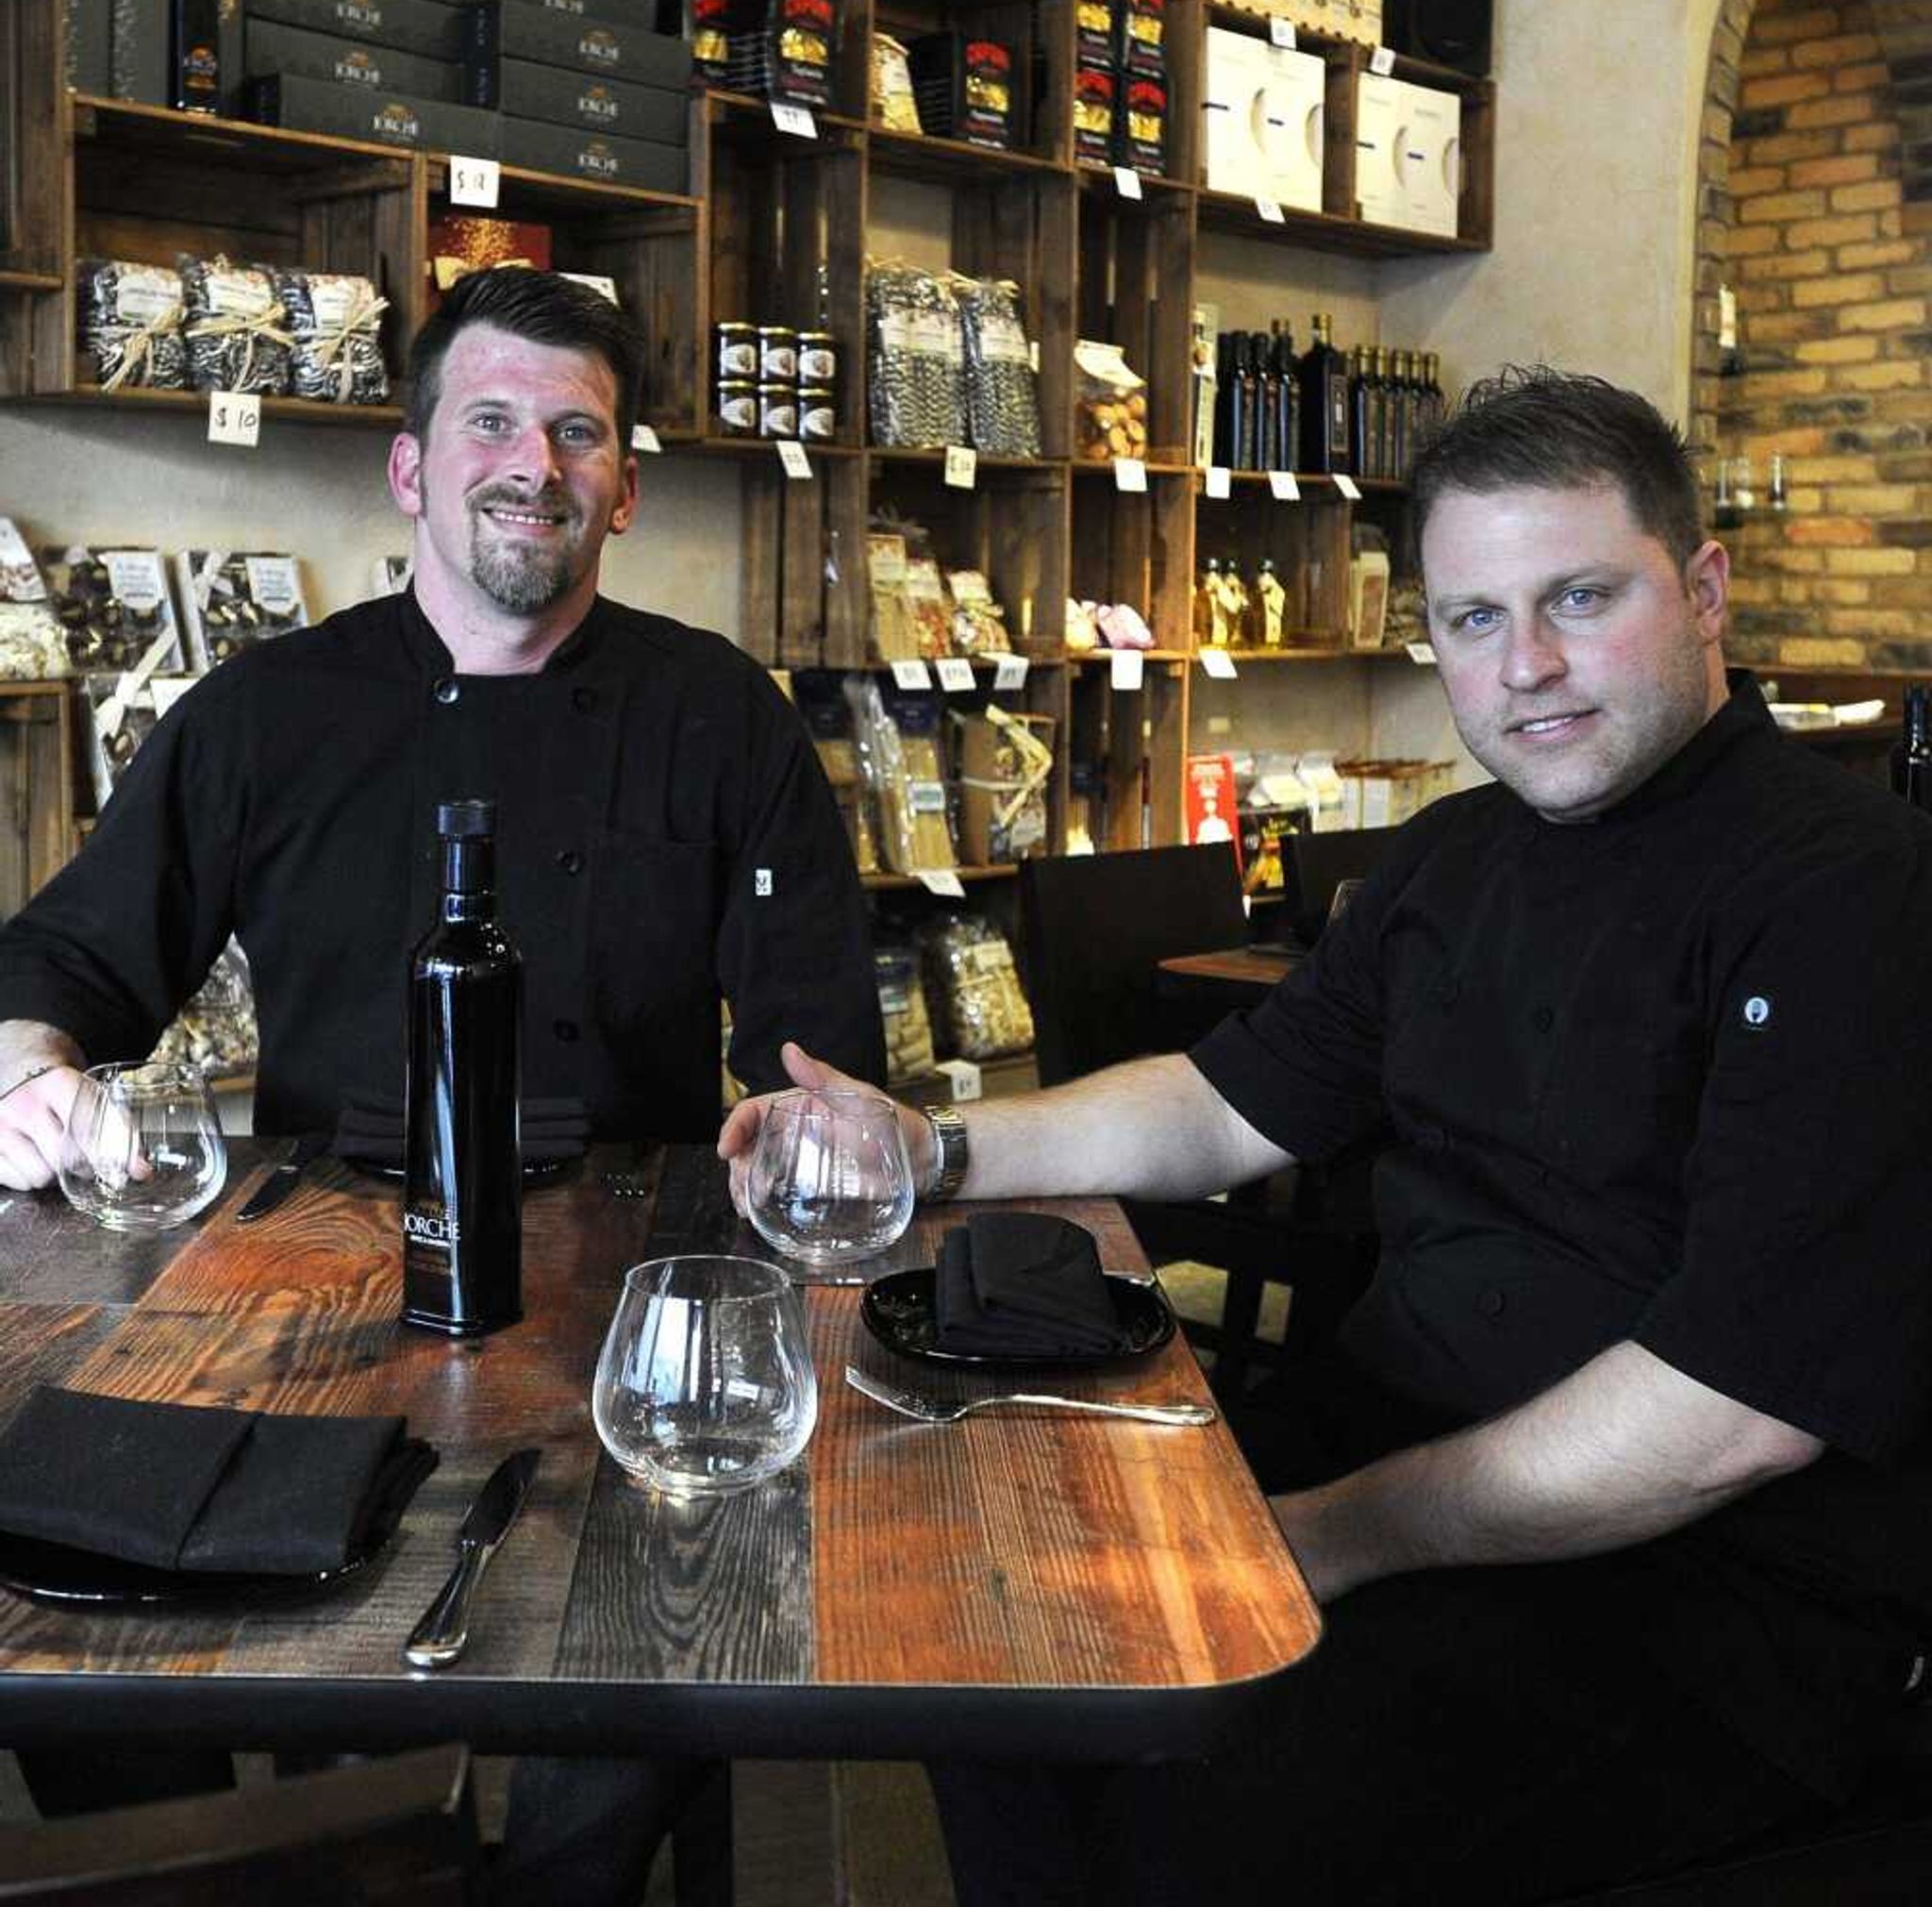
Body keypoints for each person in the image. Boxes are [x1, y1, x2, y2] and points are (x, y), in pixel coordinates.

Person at [722, 369, 1932, 1905]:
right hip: (1398, 1448)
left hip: (1705, 1596)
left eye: (1579, 597)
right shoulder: (1449, 859)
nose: (1529, 666)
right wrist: (932, 1148)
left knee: (1194, 1812)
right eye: (1473, 619)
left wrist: (1326, 1539)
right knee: (996, 1652)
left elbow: (1734, 1412)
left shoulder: (1855, 894)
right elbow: (1227, 1096)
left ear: (1705, 588)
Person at [0, 265, 885, 1899]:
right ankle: (273, 1858)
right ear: (409, 467)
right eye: (490, 420)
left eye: (577, 431)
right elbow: (64, 962)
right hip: (298, 1283)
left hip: (630, 1302)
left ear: (623, 484)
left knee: (632, 1687)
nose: (532, 462)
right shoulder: (266, 712)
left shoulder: (721, 716)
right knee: (72, 1605)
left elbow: (819, 1053)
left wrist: (814, 1119)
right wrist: (32, 1076)